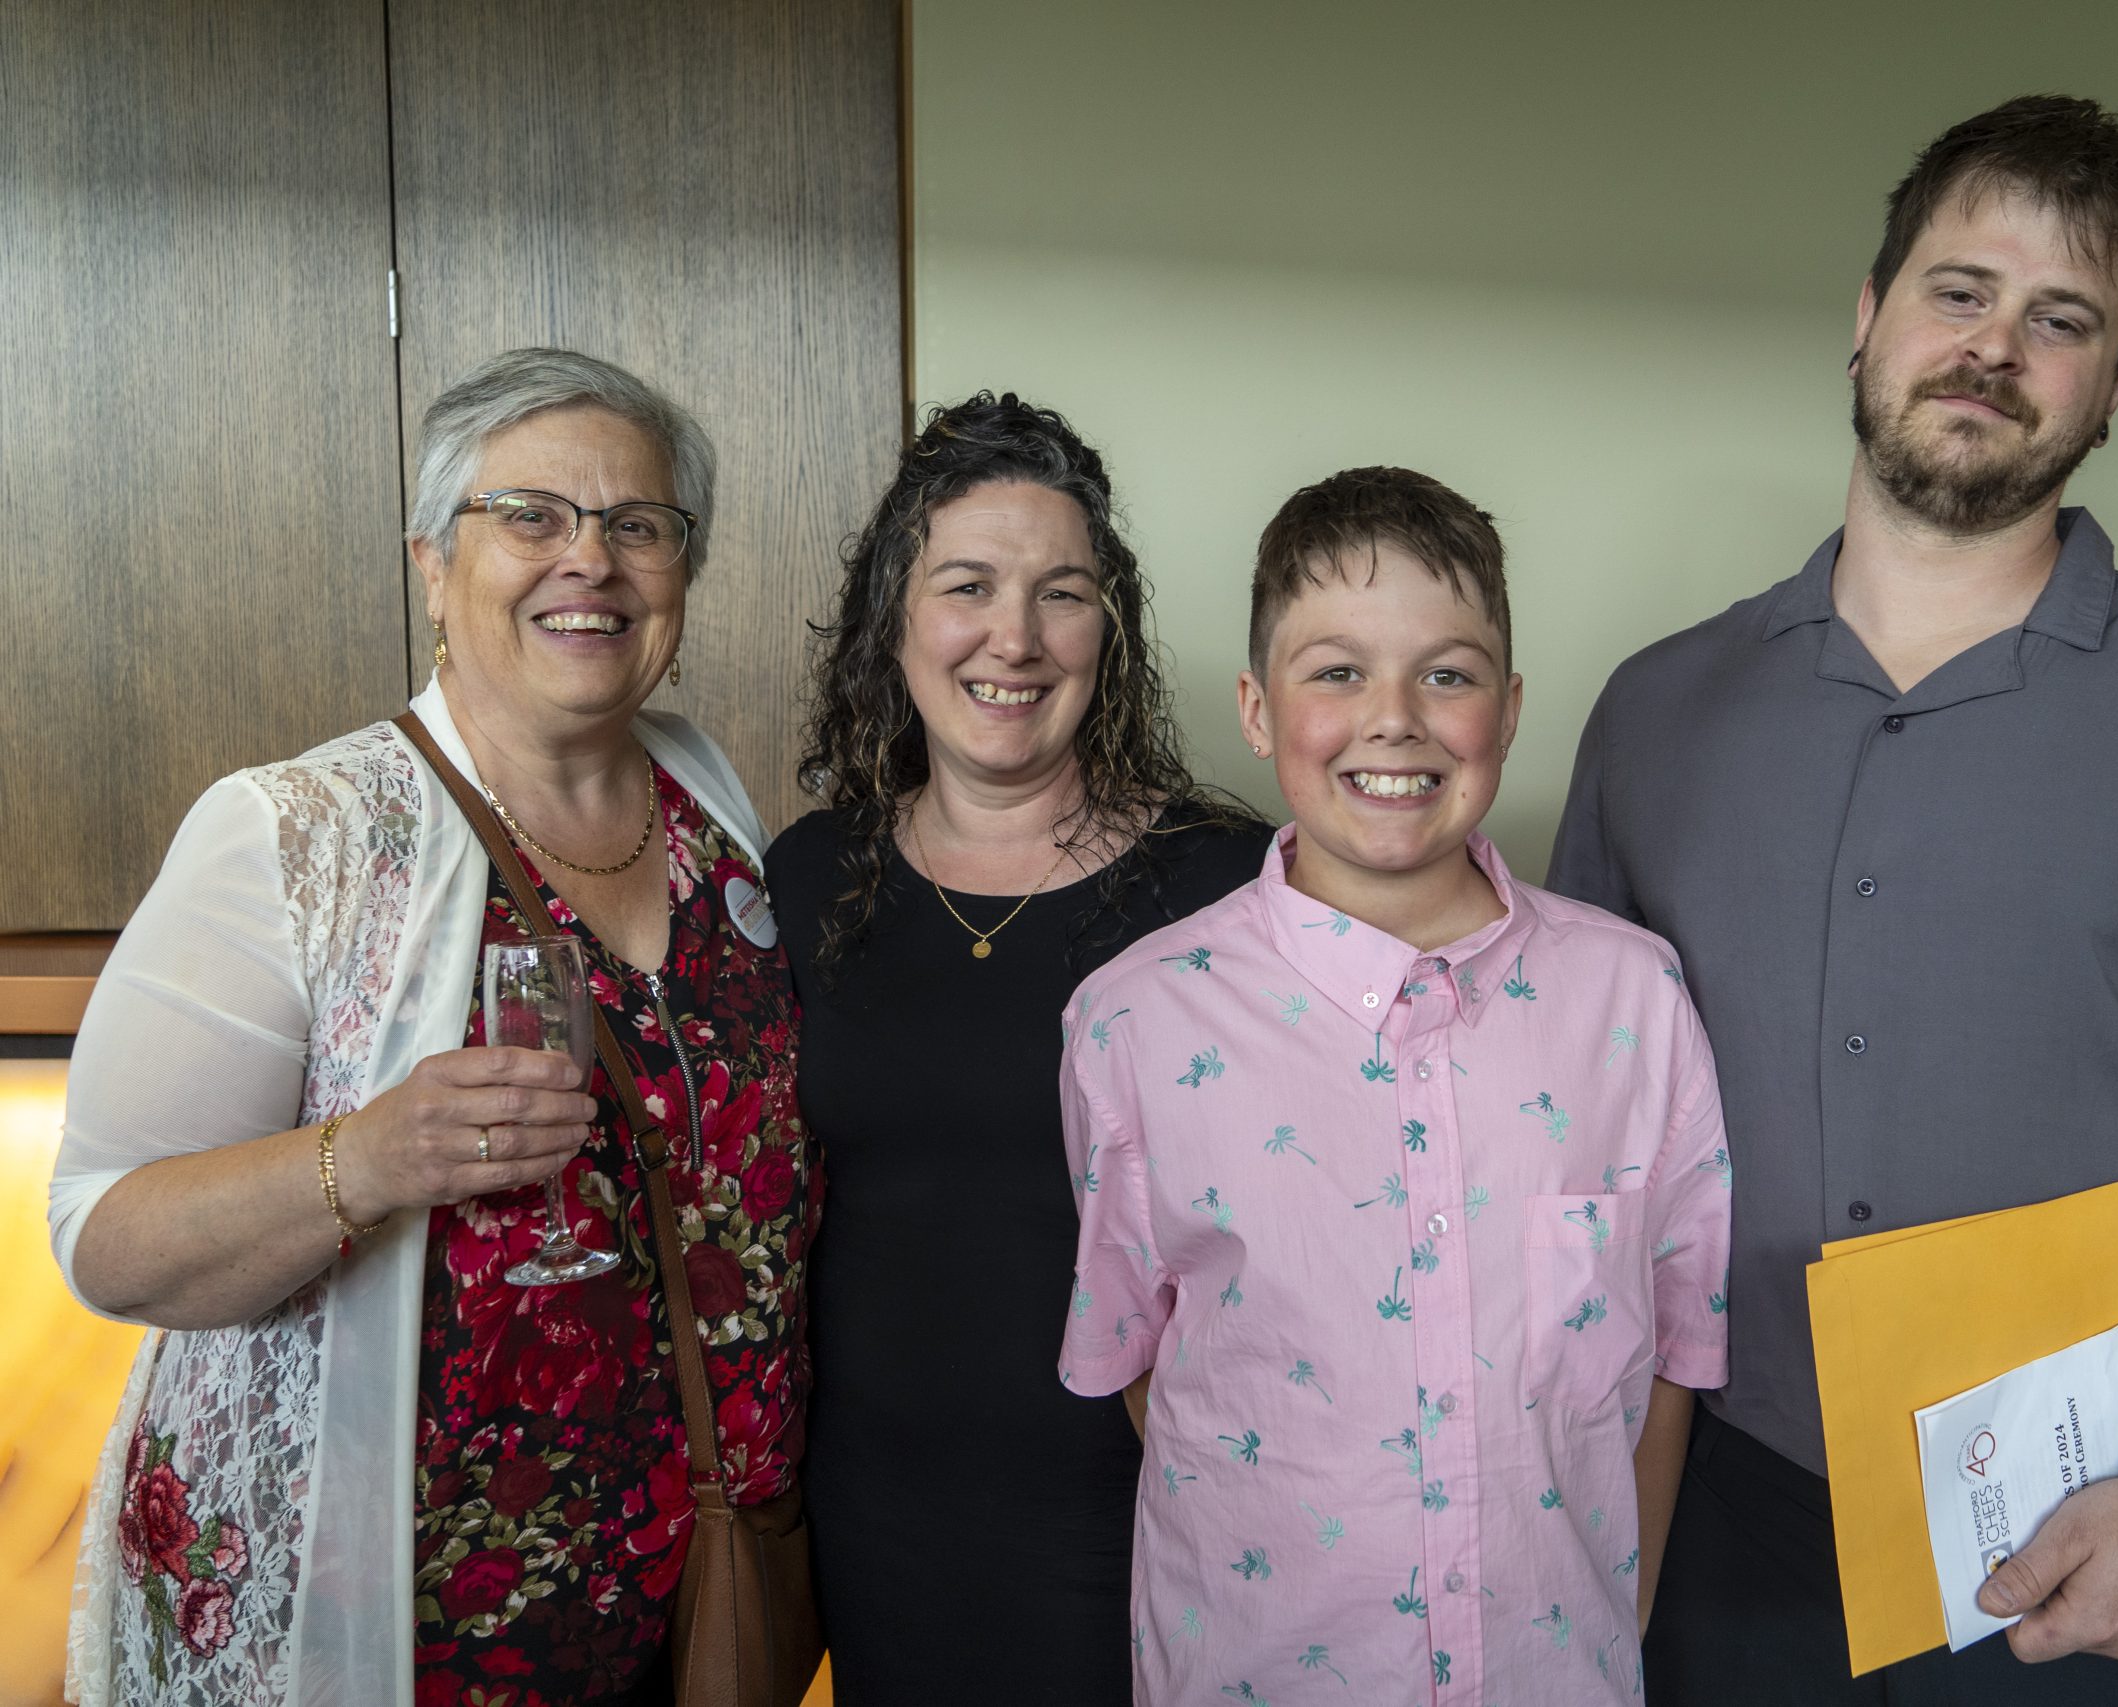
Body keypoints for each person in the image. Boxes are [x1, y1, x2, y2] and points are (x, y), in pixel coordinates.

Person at [1551, 96, 2118, 1704]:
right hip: (1729, 1548)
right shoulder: (1655, 712)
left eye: (2063, 320)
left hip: (2106, 1556)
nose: (1993, 348)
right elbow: (1570, 1128)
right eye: (1959, 291)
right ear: (1868, 315)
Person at [49, 347, 817, 1707]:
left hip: (681, 1598)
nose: (590, 559)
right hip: (389, 1624)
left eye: (638, 524)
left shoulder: (704, 791)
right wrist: (371, 1156)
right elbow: (108, 1236)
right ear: (431, 562)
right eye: (529, 515)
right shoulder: (299, 834)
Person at [1058, 467, 1734, 1705]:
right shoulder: (1137, 1022)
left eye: (1447, 675)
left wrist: (1613, 1615)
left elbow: (1674, 1348)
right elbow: (1146, 1360)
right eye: (1335, 672)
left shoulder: (1632, 999)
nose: (1394, 720)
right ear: (1256, 709)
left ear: (1509, 710)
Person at [765, 392, 1266, 1703]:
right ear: (895, 618)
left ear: (1110, 629)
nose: (1016, 637)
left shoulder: (1225, 888)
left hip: (1150, 1513)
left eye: (1062, 593)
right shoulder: (810, 877)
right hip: (875, 1518)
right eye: (968, 586)